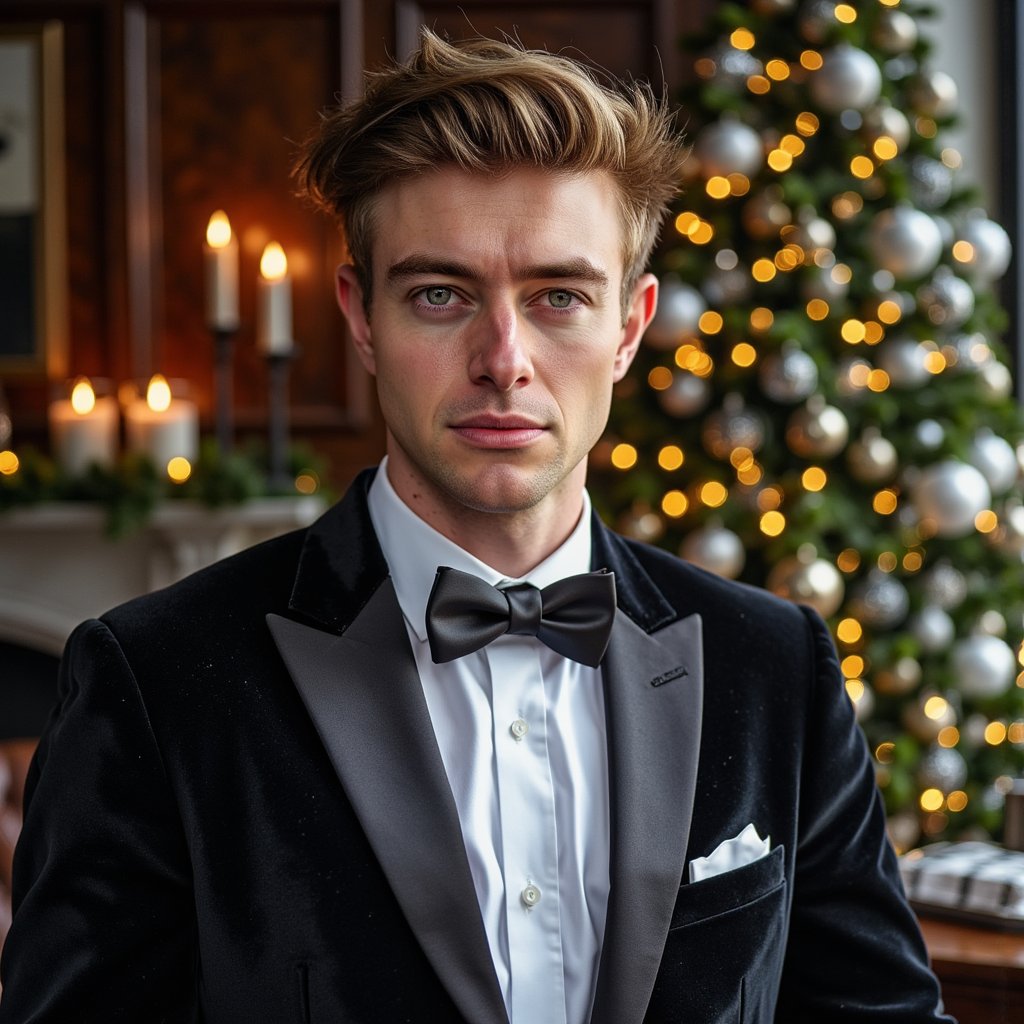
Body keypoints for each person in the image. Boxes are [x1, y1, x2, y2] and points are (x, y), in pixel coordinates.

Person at [0, 29, 953, 1024]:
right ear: (361, 317)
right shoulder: (153, 679)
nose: (504, 358)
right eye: (440, 294)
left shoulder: (776, 666)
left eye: (558, 296)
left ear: (629, 326)